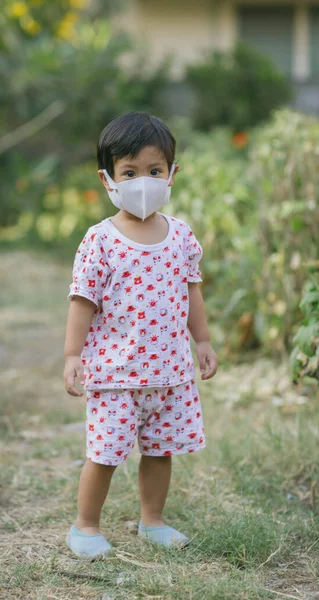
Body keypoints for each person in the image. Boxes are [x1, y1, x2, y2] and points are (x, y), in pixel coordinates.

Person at [63, 112, 218, 559]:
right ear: (108, 179)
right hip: (116, 375)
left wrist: (202, 341)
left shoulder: (181, 236)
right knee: (106, 453)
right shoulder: (100, 241)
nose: (143, 182)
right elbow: (82, 301)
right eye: (130, 172)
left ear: (172, 173)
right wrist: (73, 354)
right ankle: (86, 526)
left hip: (170, 374)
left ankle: (153, 521)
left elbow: (192, 292)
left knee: (160, 452)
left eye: (154, 171)